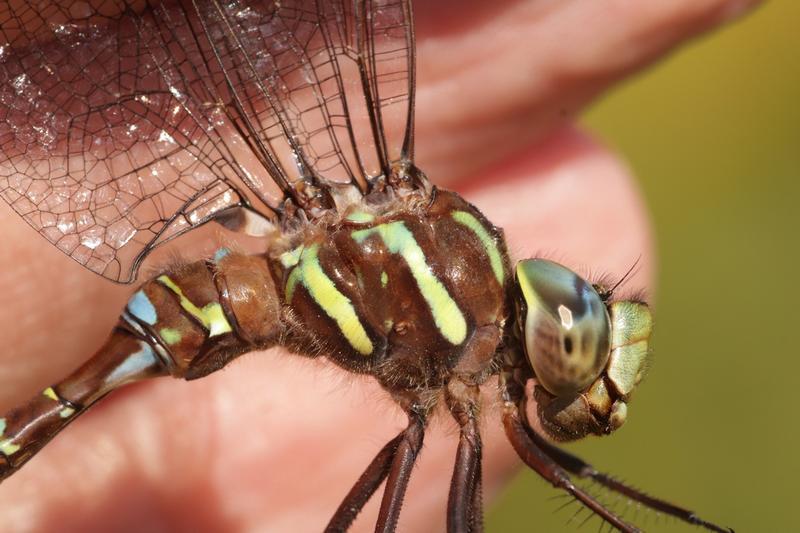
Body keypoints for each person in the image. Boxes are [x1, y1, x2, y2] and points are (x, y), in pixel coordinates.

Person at [0, 0, 759, 530]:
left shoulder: (465, 363)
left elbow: (554, 464)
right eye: (578, 342)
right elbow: (556, 465)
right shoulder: (464, 363)